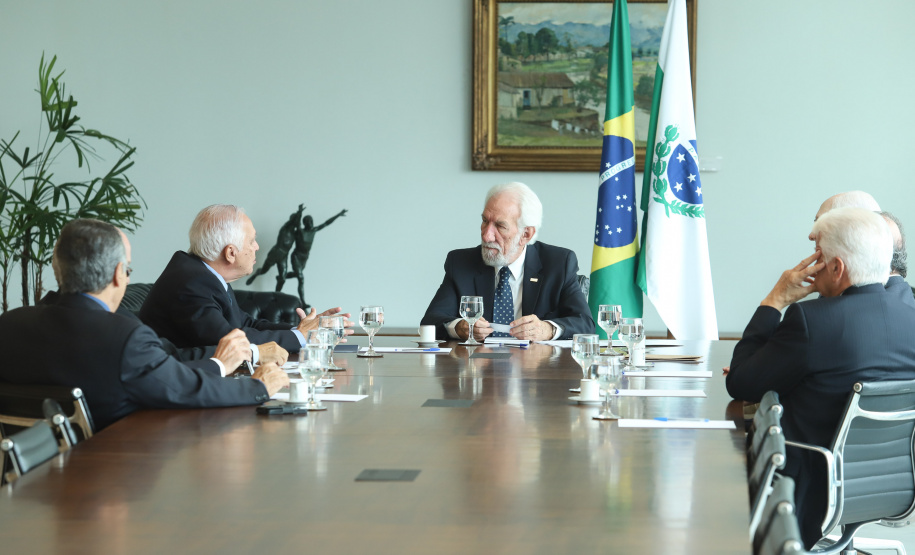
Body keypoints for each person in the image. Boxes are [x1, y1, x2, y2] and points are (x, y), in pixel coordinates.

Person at [725, 207, 915, 548]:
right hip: (891, 486)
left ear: (837, 268)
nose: (811, 263)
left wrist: (774, 300)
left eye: (818, 255)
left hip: (808, 489)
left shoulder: (812, 321)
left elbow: (739, 382)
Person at [0, 219, 289, 430]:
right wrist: (258, 387)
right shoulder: (124, 337)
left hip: (26, 479)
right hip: (111, 470)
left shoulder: (9, 325)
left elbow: (163, 373)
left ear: (58, 269)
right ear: (118, 274)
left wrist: (220, 364)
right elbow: (183, 388)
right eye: (128, 269)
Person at [139, 205, 349, 352]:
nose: (257, 247)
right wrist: (302, 336)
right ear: (231, 253)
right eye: (252, 241)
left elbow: (245, 323)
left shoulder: (204, 274)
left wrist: (305, 329)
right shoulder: (191, 283)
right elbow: (229, 340)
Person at [421, 182, 593, 341]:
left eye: (500, 226)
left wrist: (547, 329)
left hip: (537, 362)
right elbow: (430, 322)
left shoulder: (558, 263)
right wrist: (459, 327)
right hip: (478, 361)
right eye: (485, 221)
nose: (486, 235)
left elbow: (585, 323)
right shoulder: (461, 263)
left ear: (526, 234)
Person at [286, 207, 347, 307]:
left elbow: (326, 223)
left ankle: (283, 276)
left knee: (297, 274)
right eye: (308, 222)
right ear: (305, 223)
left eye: (311, 221)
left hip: (305, 257)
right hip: (296, 256)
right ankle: (303, 302)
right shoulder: (300, 231)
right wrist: (300, 212)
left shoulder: (313, 230)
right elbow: (297, 223)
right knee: (301, 278)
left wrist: (339, 214)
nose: (311, 223)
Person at [245, 204, 305, 292]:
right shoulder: (285, 229)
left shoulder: (295, 234)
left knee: (282, 278)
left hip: (284, 256)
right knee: (263, 271)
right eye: (295, 220)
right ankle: (256, 274)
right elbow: (293, 221)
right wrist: (299, 212)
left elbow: (301, 232)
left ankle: (277, 294)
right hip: (275, 253)